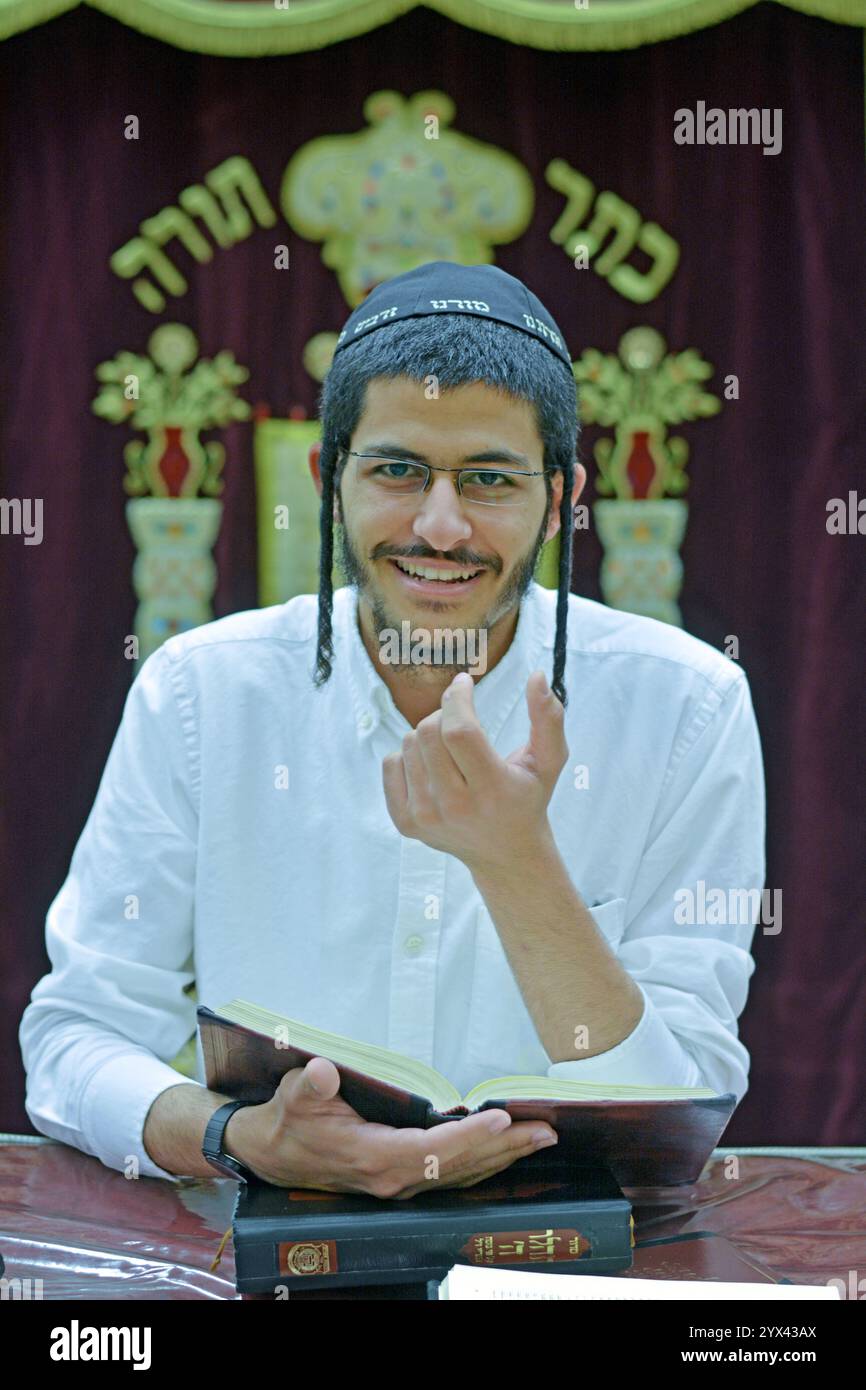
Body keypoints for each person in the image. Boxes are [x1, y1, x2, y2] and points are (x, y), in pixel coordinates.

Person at [20, 262, 765, 1198]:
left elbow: (674, 1116)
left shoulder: (687, 705)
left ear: (563, 495)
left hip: (566, 1263)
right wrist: (236, 1137)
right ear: (329, 478)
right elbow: (76, 1037)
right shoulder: (203, 693)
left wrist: (516, 861)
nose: (440, 527)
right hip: (282, 1245)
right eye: (398, 471)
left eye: (490, 479)